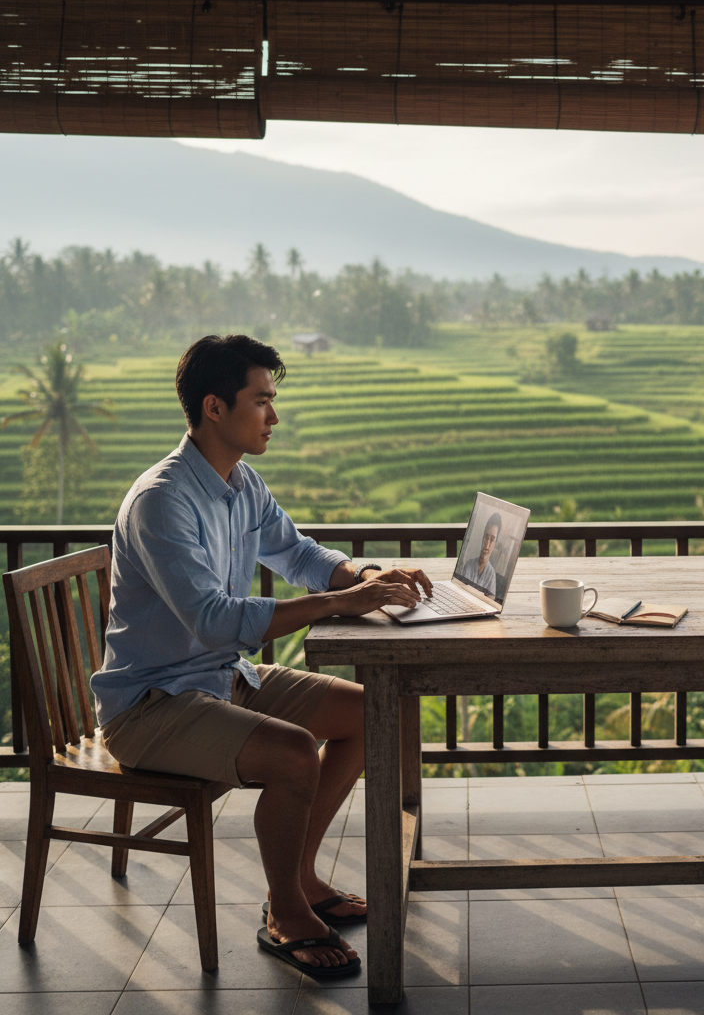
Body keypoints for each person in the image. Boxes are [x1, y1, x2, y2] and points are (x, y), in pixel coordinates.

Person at [91, 334, 432, 978]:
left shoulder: (240, 482)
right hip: (151, 705)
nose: (274, 416)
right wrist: (341, 603)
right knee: (294, 751)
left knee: (372, 713)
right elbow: (214, 619)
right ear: (215, 407)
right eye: (262, 401)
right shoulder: (162, 501)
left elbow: (298, 553)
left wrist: (368, 577)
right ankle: (286, 911)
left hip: (222, 678)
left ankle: (299, 878)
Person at [462, 511, 501, 598]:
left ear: (495, 543)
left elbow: (490, 600)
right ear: (482, 537)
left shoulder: (491, 574)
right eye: (486, 537)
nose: (487, 545)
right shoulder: (468, 565)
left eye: (492, 539)